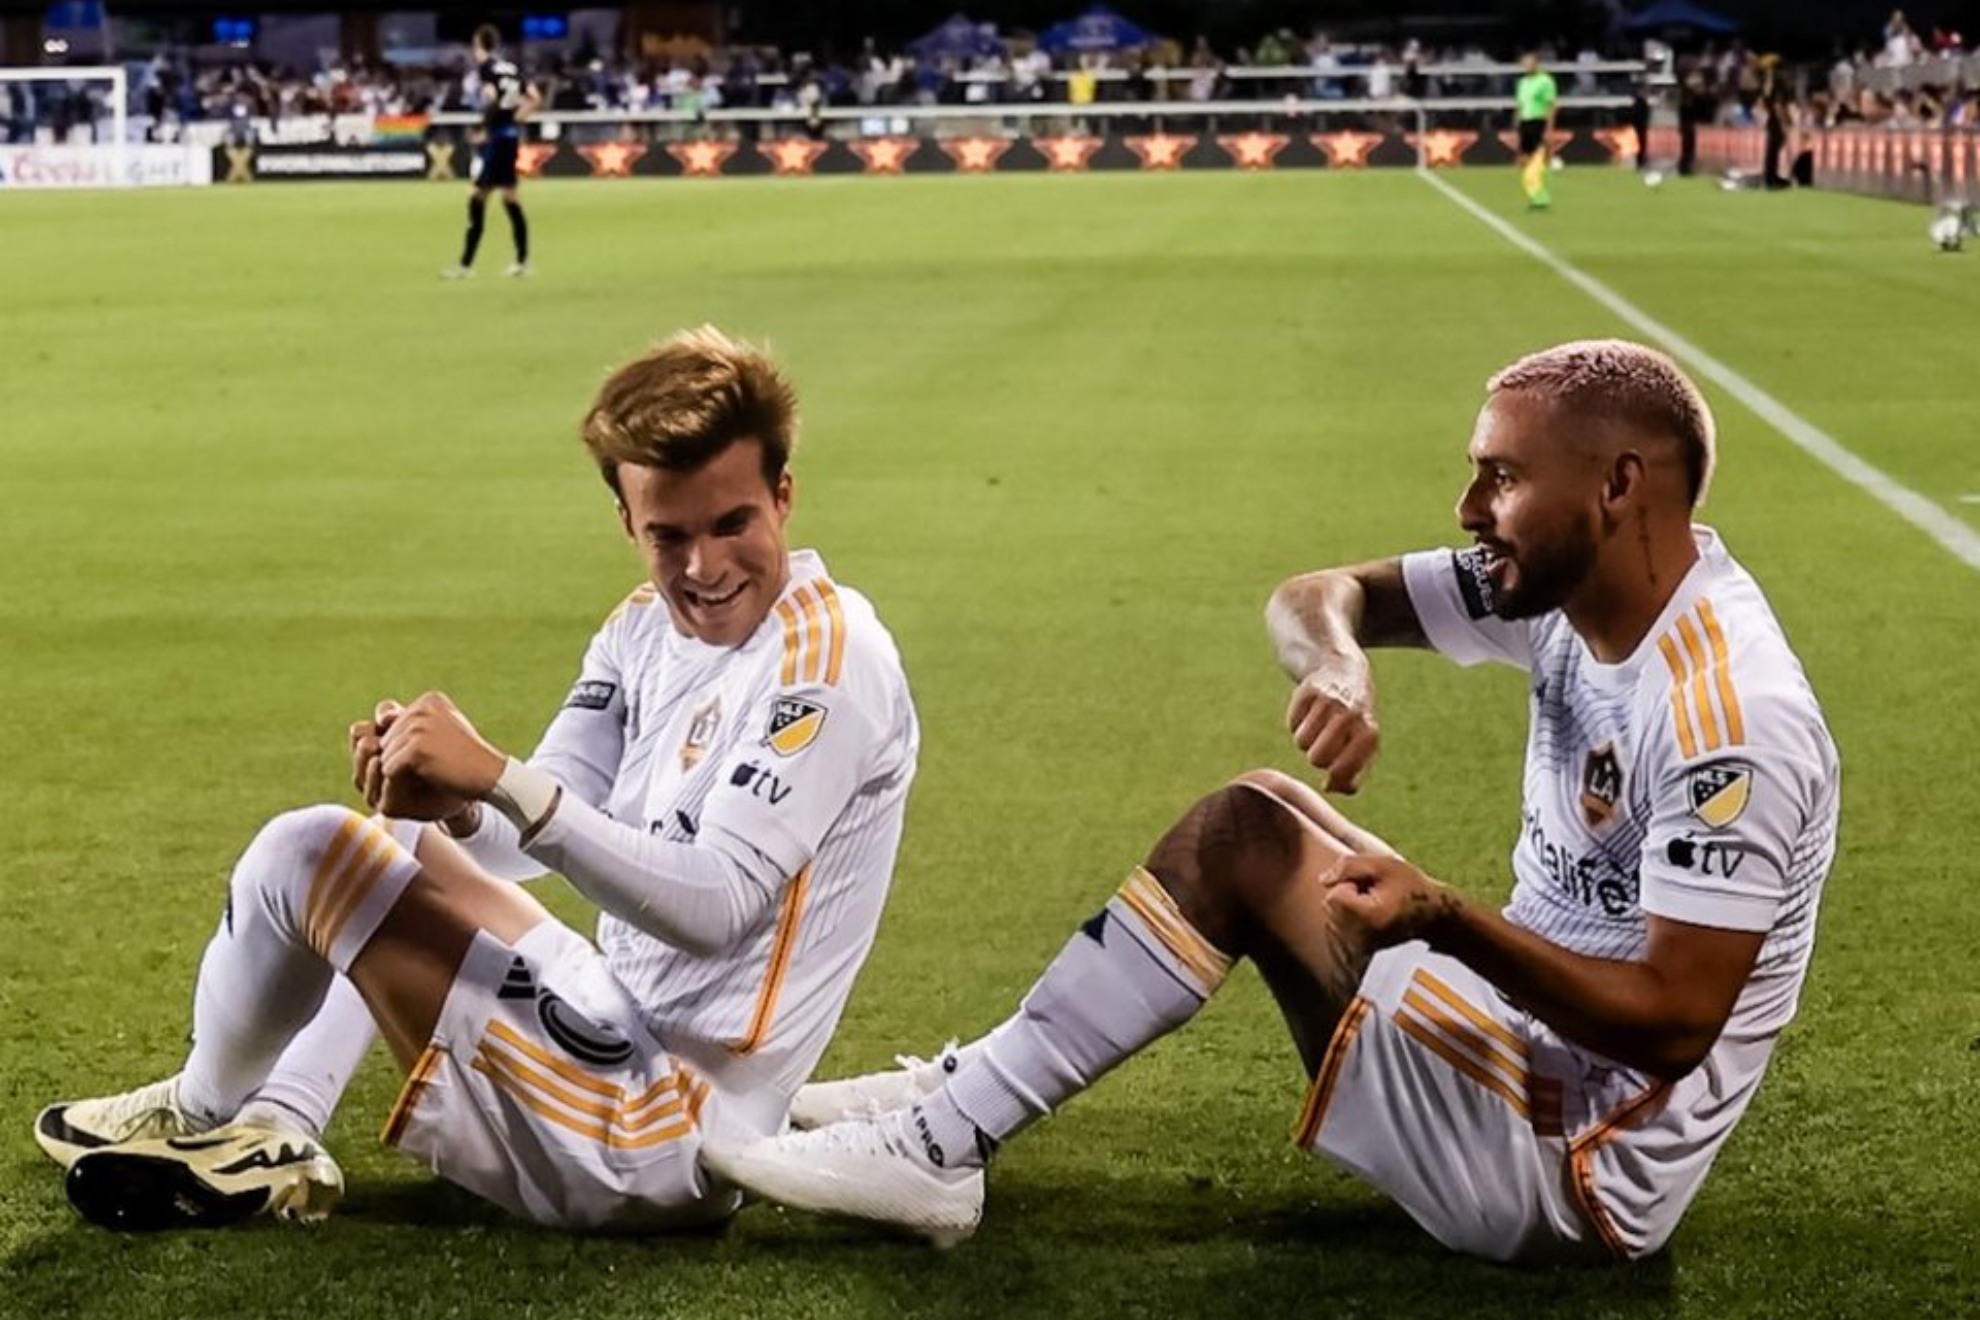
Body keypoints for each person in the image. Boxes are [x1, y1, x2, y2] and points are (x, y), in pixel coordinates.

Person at [705, 340, 1840, 1262]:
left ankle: (943, 1146)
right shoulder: (1559, 589)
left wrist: (1446, 919)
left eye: (1502, 476)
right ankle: (967, 1101)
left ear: (1617, 486)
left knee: (1247, 839)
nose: (1468, 505)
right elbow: (1316, 594)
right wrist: (1337, 663)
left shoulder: (1728, 714)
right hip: (1523, 1049)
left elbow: (1676, 1025)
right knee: (1264, 806)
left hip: (1578, 1162)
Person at [35, 326, 922, 1234]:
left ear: (783, 495)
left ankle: (215, 1109)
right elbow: (524, 834)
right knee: (397, 838)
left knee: (311, 852)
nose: (703, 568)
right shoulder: (642, 630)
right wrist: (459, 803)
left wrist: (503, 779)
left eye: (733, 523)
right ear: (627, 522)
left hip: (669, 1134)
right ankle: (263, 1124)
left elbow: (718, 905)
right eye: (669, 535)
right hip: (613, 1021)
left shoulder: (828, 653)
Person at [443, 24, 540, 280]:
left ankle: (465, 266)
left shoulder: (486, 69)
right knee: (510, 198)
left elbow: (492, 97)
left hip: (498, 140)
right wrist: (516, 120)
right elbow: (534, 97)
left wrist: (486, 126)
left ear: (479, 44)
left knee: (477, 196)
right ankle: (521, 261)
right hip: (510, 138)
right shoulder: (511, 67)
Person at [1514, 49, 1559, 208]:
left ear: (1536, 63)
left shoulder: (1546, 81)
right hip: (1525, 123)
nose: (1525, 65)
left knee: (1537, 161)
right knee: (1524, 162)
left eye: (1528, 62)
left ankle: (1541, 197)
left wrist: (1549, 128)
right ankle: (1536, 196)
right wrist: (1517, 123)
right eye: (1523, 63)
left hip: (1538, 122)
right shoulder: (1522, 82)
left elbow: (1551, 105)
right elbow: (1520, 105)